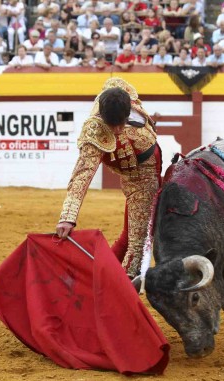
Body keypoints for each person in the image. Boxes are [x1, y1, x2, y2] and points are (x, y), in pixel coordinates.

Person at [56, 78, 162, 279]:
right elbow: (81, 175)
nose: (118, 130)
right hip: (139, 179)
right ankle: (120, 287)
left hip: (152, 164)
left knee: (129, 234)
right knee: (137, 243)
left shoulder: (120, 91)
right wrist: (67, 217)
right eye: (112, 125)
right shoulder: (94, 132)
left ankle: (99, 278)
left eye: (121, 123)